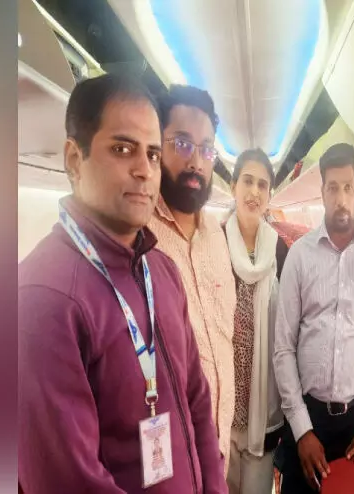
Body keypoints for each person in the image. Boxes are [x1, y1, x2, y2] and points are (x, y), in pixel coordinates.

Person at [18, 73, 226, 493]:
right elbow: (69, 481)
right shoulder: (43, 298)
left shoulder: (161, 271)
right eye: (122, 149)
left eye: (152, 153)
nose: (144, 170)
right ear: (74, 159)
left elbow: (197, 401)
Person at [273, 143, 354, 493]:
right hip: (308, 415)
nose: (341, 198)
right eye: (332, 188)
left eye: (348, 187)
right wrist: (302, 429)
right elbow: (283, 347)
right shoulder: (300, 256)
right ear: (323, 193)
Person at [147, 85, 237, 471]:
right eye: (182, 144)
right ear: (157, 146)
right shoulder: (138, 236)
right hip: (168, 457)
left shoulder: (216, 234)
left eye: (207, 149)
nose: (197, 162)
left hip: (219, 447)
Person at [222, 148, 289, 493]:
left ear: (269, 195)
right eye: (247, 181)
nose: (254, 191)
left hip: (263, 405)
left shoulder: (281, 251)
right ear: (233, 186)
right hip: (222, 404)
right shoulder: (213, 242)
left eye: (262, 185)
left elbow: (288, 328)